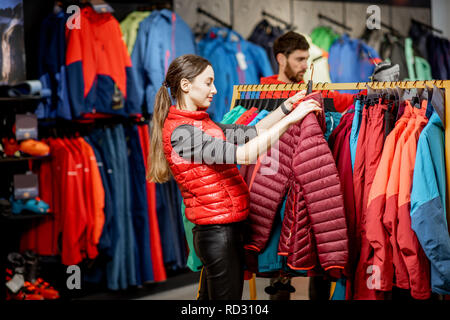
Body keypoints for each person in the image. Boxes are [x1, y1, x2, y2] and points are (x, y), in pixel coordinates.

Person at [147, 54, 322, 300]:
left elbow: (253, 132)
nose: (215, 90)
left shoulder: (201, 124)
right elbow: (246, 154)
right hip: (218, 234)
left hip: (224, 231)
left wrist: (287, 107)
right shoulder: (183, 133)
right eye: (208, 83)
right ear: (186, 85)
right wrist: (293, 119)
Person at [260, 31, 354, 112]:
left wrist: (366, 95)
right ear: (281, 59)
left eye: (306, 59)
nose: (305, 66)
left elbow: (343, 100)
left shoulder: (312, 92)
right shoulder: (264, 97)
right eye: (300, 59)